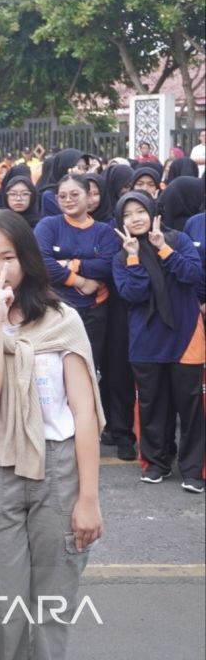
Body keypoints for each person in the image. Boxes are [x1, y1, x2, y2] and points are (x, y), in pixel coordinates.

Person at [0, 210, 105, 660]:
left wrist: (88, 498)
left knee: (53, 603)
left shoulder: (62, 320)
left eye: (7, 257)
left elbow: (84, 413)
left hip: (59, 467)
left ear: (27, 260)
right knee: (2, 604)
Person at [112, 193, 204, 492]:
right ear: (120, 221)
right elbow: (133, 294)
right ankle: (156, 463)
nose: (135, 218)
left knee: (190, 407)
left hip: (186, 334)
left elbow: (192, 274)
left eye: (141, 211)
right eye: (128, 214)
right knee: (152, 406)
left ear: (154, 213)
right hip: (146, 340)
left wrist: (162, 248)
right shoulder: (122, 255)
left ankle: (193, 469)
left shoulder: (178, 240)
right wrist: (134, 255)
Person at [35, 176, 121, 379]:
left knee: (85, 371)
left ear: (89, 196)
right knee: (54, 373)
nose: (68, 200)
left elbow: (108, 266)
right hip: (53, 311)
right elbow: (42, 264)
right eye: (62, 196)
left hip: (92, 313)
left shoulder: (104, 232)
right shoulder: (48, 226)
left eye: (75, 194)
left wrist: (73, 264)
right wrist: (80, 281)